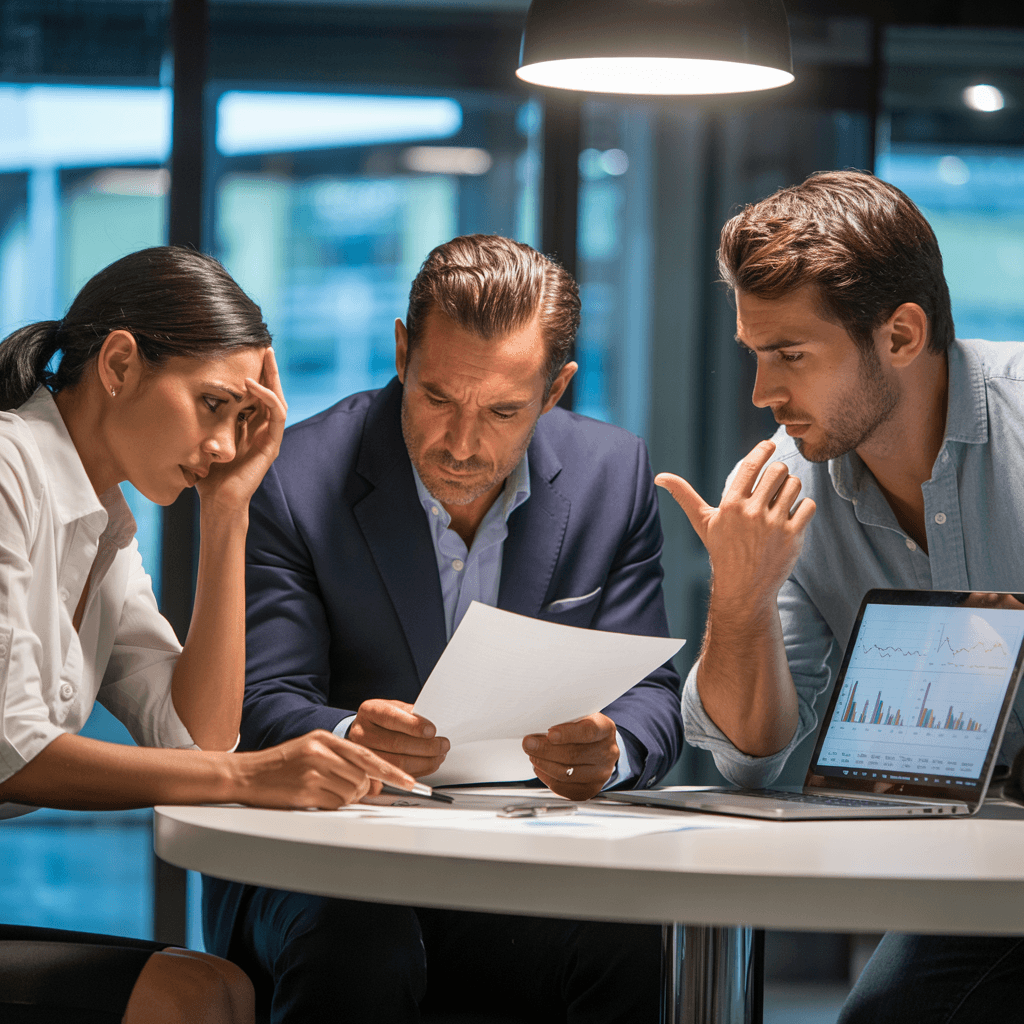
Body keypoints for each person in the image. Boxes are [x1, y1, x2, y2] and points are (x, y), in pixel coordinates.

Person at [202, 234, 684, 1022]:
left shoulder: (613, 474)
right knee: (362, 943)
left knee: (628, 935)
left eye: (502, 411)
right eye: (437, 399)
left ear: (555, 390)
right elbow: (254, 703)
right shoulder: (291, 475)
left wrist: (612, 750)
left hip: (520, 855)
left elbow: (652, 695)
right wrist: (351, 736)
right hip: (325, 862)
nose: (462, 444)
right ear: (402, 352)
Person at [0, 246, 417, 1024]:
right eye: (211, 404)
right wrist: (253, 776)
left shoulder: (105, 525)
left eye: (240, 419)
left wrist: (229, 511)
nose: (225, 446)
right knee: (188, 997)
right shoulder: (7, 471)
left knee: (223, 986)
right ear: (119, 364)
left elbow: (197, 737)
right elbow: (13, 754)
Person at [656, 170, 1024, 1023]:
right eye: (755, 353)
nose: (762, 393)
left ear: (900, 335)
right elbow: (750, 759)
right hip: (974, 859)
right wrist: (741, 596)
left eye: (790, 355)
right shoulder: (786, 485)